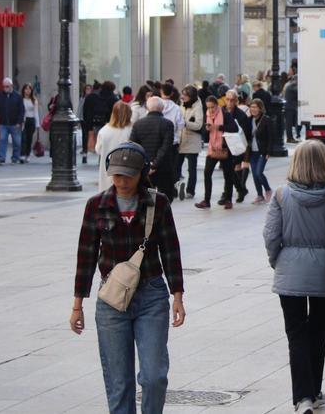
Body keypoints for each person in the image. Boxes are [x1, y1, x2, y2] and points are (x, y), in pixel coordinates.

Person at [71, 142, 186, 414]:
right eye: (117, 175)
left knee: (154, 376)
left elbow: (171, 250)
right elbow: (86, 257)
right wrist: (78, 305)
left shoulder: (158, 204)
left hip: (151, 295)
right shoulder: (96, 205)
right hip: (111, 300)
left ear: (142, 173)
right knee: (119, 382)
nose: (121, 181)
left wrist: (177, 296)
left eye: (128, 175)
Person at [263, 140, 325, 414]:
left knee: (296, 335)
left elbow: (271, 235)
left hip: (291, 271)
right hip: (323, 271)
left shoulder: (280, 195)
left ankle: (303, 398)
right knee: (318, 334)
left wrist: (278, 260)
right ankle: (314, 390)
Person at [129, 97, 177, 202]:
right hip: (163, 167)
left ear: (147, 107)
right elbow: (166, 146)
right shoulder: (168, 124)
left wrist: (147, 164)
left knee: (144, 199)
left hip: (144, 168)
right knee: (165, 199)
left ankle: (149, 218)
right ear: (162, 108)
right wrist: (154, 164)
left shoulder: (138, 124)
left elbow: (133, 146)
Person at [95, 101, 134, 192]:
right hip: (127, 169)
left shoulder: (104, 131)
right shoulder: (131, 130)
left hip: (107, 169)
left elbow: (98, 150)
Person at [177, 86, 205, 200]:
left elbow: (199, 125)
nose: (183, 97)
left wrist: (185, 123)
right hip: (181, 140)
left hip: (192, 141)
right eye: (182, 94)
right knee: (176, 166)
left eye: (185, 95)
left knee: (191, 168)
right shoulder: (182, 104)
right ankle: (176, 187)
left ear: (191, 96)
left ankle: (190, 190)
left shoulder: (198, 106)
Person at [0, 77, 25, 165]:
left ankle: (15, 158)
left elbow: (21, 111)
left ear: (11, 86)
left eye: (7, 86)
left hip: (15, 124)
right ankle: (1, 158)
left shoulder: (17, 96)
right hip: (3, 123)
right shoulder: (0, 95)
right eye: (4, 86)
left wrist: (19, 122)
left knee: (17, 142)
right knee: (2, 140)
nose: (5, 88)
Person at [248, 98, 275, 203]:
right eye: (251, 107)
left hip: (262, 151)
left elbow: (271, 137)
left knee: (259, 172)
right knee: (254, 174)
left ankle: (268, 189)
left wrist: (269, 151)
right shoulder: (249, 120)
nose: (253, 109)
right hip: (252, 151)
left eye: (255, 107)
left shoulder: (266, 120)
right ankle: (260, 195)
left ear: (260, 108)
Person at [18, 83, 38, 163]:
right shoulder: (21, 99)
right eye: (26, 89)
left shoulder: (34, 100)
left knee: (29, 139)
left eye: (29, 89)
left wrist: (37, 124)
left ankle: (27, 154)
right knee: (23, 138)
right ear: (23, 90)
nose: (28, 91)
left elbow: (36, 112)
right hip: (23, 120)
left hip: (31, 120)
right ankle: (22, 155)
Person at [284, 74, 300, 143]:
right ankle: (289, 138)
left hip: (290, 107)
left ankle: (290, 138)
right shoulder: (293, 86)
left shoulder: (290, 85)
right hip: (290, 108)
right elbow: (298, 93)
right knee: (289, 124)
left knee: (289, 124)